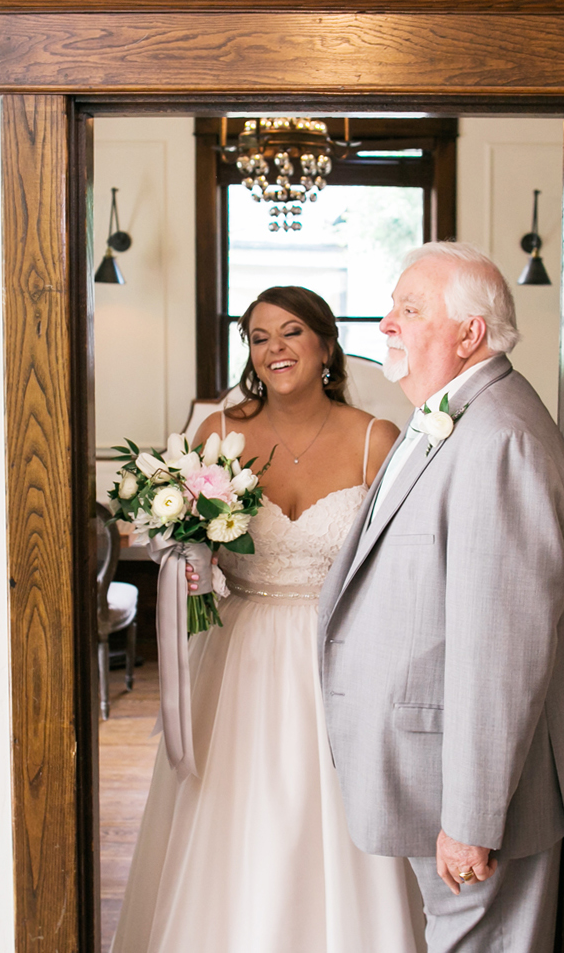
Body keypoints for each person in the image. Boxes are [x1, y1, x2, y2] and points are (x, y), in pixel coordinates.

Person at [112, 285, 422, 953]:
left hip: (338, 653)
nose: (275, 348)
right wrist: (185, 548)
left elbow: (401, 566)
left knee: (330, 814)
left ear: (326, 345)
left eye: (291, 333)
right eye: (259, 337)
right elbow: (189, 540)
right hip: (240, 648)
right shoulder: (219, 433)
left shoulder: (377, 439)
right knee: (237, 812)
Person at [318, 242, 564, 953]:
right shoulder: (455, 415)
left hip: (470, 787)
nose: (386, 324)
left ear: (469, 334)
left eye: (410, 309)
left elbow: (502, 645)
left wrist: (473, 816)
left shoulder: (500, 436)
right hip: (431, 768)